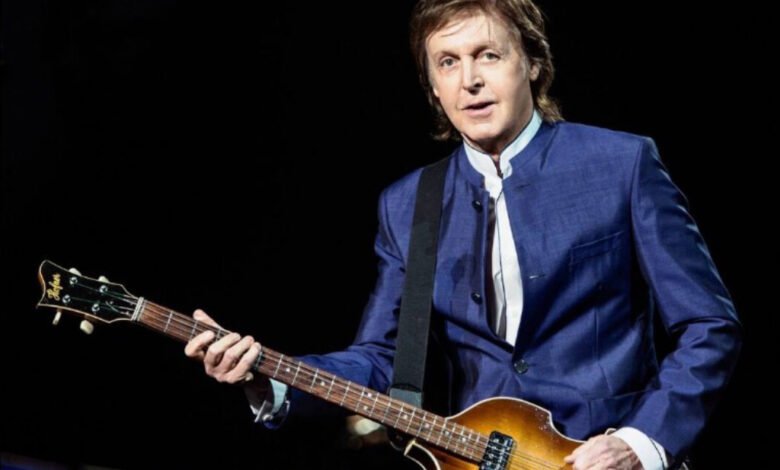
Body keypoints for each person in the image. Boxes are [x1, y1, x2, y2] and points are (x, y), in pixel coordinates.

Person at [185, 1, 742, 468]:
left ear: (533, 63)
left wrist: (640, 443)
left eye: (487, 55)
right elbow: (381, 359)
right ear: (433, 85)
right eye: (447, 62)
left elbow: (709, 325)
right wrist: (267, 374)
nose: (469, 80)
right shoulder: (408, 204)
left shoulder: (622, 164)